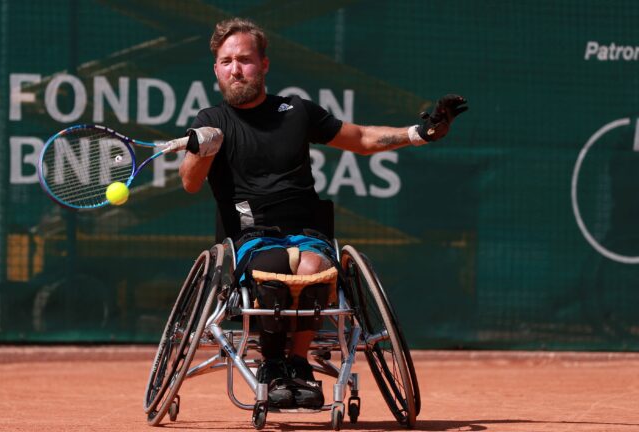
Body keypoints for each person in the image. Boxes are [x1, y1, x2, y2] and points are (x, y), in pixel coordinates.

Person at [177, 17, 467, 409]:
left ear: (263, 64)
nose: (235, 69)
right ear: (216, 70)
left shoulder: (295, 112)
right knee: (275, 270)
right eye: (226, 61)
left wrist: (420, 133)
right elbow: (190, 183)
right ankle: (272, 366)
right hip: (252, 238)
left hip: (307, 232)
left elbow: (361, 138)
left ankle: (297, 366)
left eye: (244, 59)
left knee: (313, 269)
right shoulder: (211, 122)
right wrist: (201, 150)